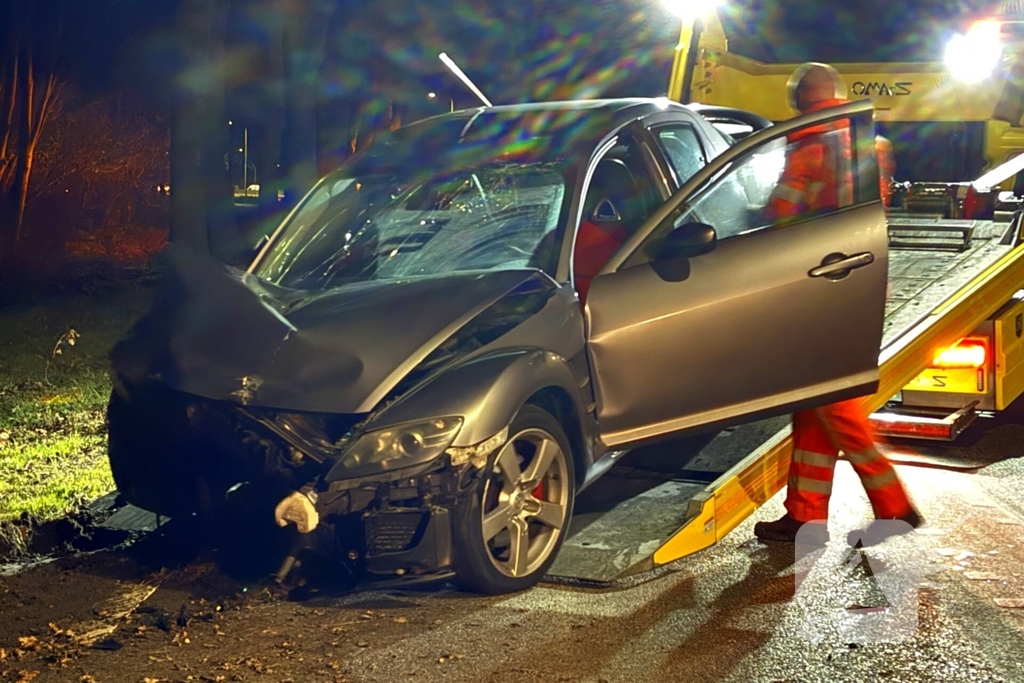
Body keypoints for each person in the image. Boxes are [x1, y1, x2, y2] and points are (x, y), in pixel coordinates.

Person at [754, 63, 922, 547]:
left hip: (820, 283)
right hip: (862, 276)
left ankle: (894, 505)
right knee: (815, 408)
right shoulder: (871, 142)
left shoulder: (808, 144)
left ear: (800, 99)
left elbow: (782, 214)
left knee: (835, 402)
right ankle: (804, 515)